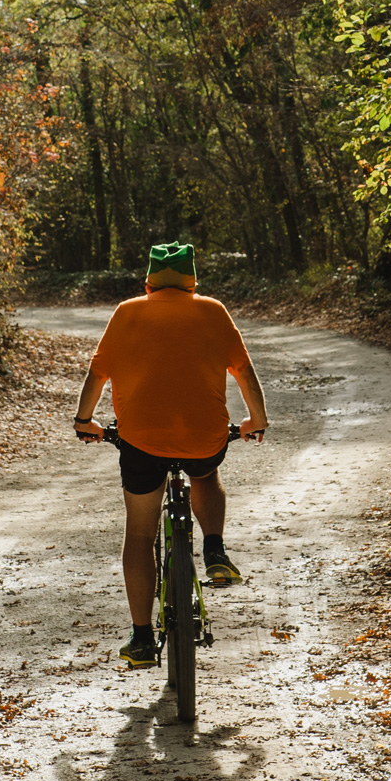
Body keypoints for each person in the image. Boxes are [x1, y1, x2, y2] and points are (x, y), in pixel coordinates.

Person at [71, 241, 270, 667]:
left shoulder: (126, 313)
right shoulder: (213, 311)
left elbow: (98, 372)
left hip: (140, 440)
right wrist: (257, 420)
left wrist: (84, 420)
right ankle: (214, 549)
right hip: (205, 437)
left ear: (148, 281)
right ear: (192, 280)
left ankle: (142, 636)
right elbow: (245, 372)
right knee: (205, 474)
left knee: (140, 534)